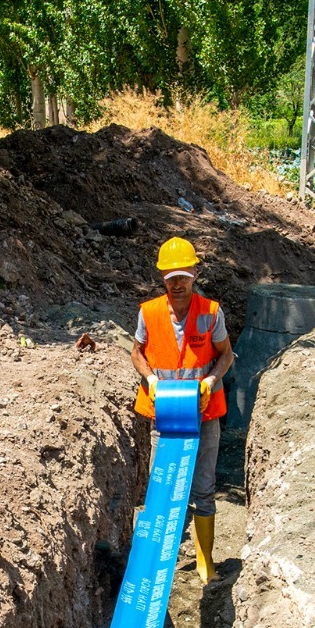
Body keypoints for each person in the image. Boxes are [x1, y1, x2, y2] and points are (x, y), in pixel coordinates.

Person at [130, 236, 234, 584]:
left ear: (194, 273)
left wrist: (210, 381)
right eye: (171, 276)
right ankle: (160, 561)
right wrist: (151, 381)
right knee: (163, 490)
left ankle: (205, 560)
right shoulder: (149, 312)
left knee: (203, 488)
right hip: (165, 417)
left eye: (183, 275)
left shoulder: (211, 312)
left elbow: (226, 355)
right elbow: (137, 353)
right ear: (162, 276)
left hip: (203, 415)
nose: (177, 283)